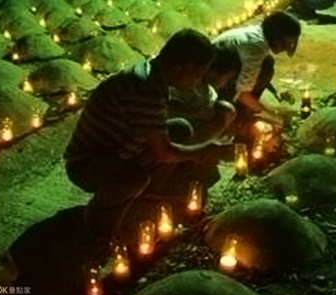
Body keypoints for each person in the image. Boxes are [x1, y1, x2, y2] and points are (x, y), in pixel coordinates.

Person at [64, 28, 232, 243]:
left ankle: (148, 193)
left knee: (180, 128)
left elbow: (157, 131)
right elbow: (163, 152)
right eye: (200, 73)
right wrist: (204, 149)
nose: (200, 80)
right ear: (186, 67)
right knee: (134, 178)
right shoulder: (146, 88)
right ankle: (98, 220)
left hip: (121, 149)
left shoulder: (152, 73)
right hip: (88, 163)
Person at [213, 11, 301, 140]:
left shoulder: (259, 35)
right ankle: (234, 113)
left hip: (226, 72)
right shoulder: (255, 46)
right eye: (285, 43)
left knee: (267, 63)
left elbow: (252, 74)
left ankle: (246, 108)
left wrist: (275, 93)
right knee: (266, 66)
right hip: (213, 80)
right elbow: (242, 92)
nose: (286, 48)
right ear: (276, 36)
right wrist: (272, 115)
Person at [167, 45, 241, 144]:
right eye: (228, 77)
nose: (226, 83)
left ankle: (200, 147)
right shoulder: (187, 82)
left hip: (192, 130)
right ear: (214, 72)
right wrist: (196, 113)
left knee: (226, 109)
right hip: (169, 129)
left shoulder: (210, 92)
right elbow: (166, 108)